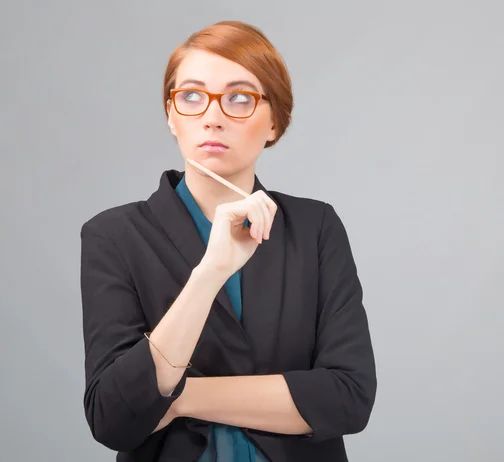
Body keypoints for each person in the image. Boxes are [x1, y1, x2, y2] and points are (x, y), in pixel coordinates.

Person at [80, 20, 377, 462]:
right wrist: (210, 273)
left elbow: (348, 397)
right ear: (170, 116)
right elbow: (114, 416)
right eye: (192, 97)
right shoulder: (114, 235)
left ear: (274, 121)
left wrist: (176, 397)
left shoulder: (315, 227)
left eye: (240, 98)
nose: (213, 117)